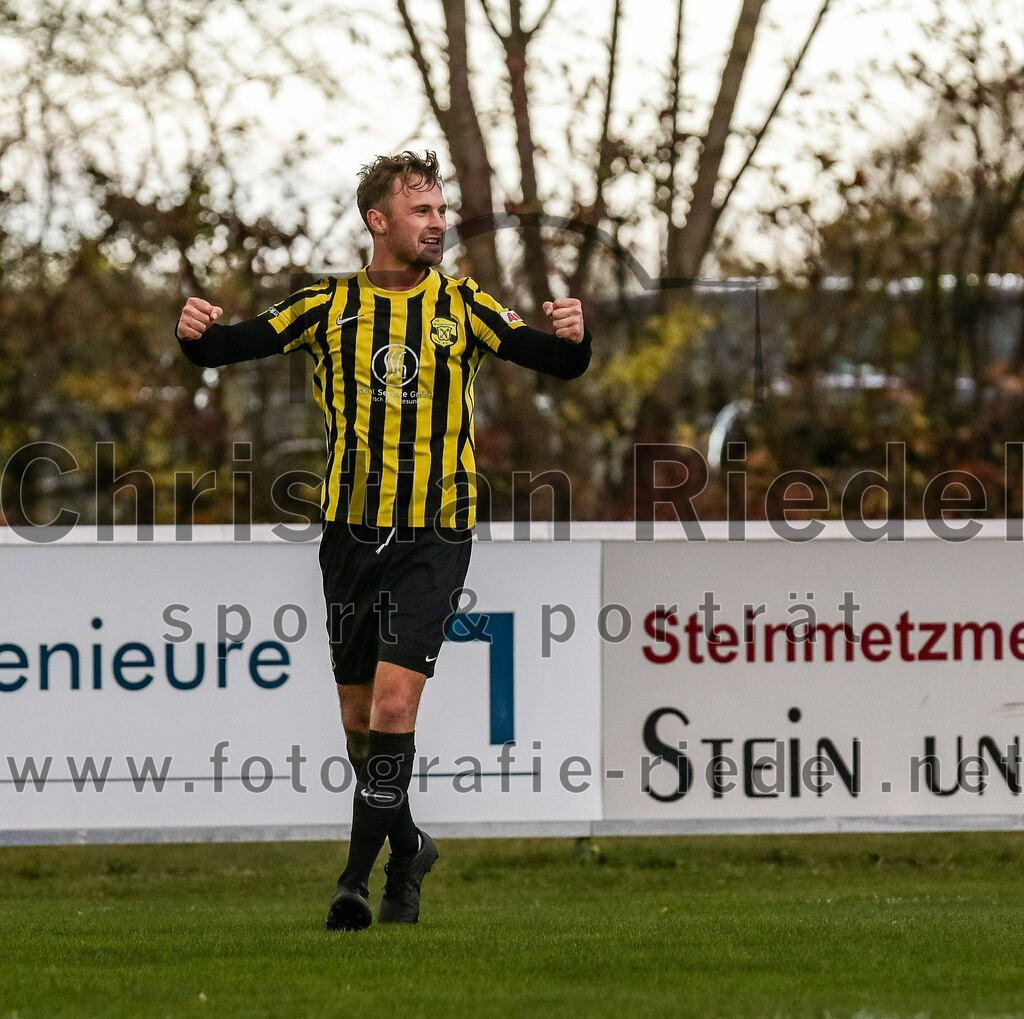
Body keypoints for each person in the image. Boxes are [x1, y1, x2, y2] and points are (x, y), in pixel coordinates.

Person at [175, 150, 592, 931]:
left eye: (441, 211)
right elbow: (230, 347)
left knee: (397, 704)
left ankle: (353, 882)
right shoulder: (325, 306)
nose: (438, 225)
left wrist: (574, 340)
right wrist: (196, 335)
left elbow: (550, 361)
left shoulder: (461, 303)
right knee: (360, 723)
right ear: (379, 220)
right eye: (423, 211)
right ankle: (410, 848)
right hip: (349, 538)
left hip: (436, 532)